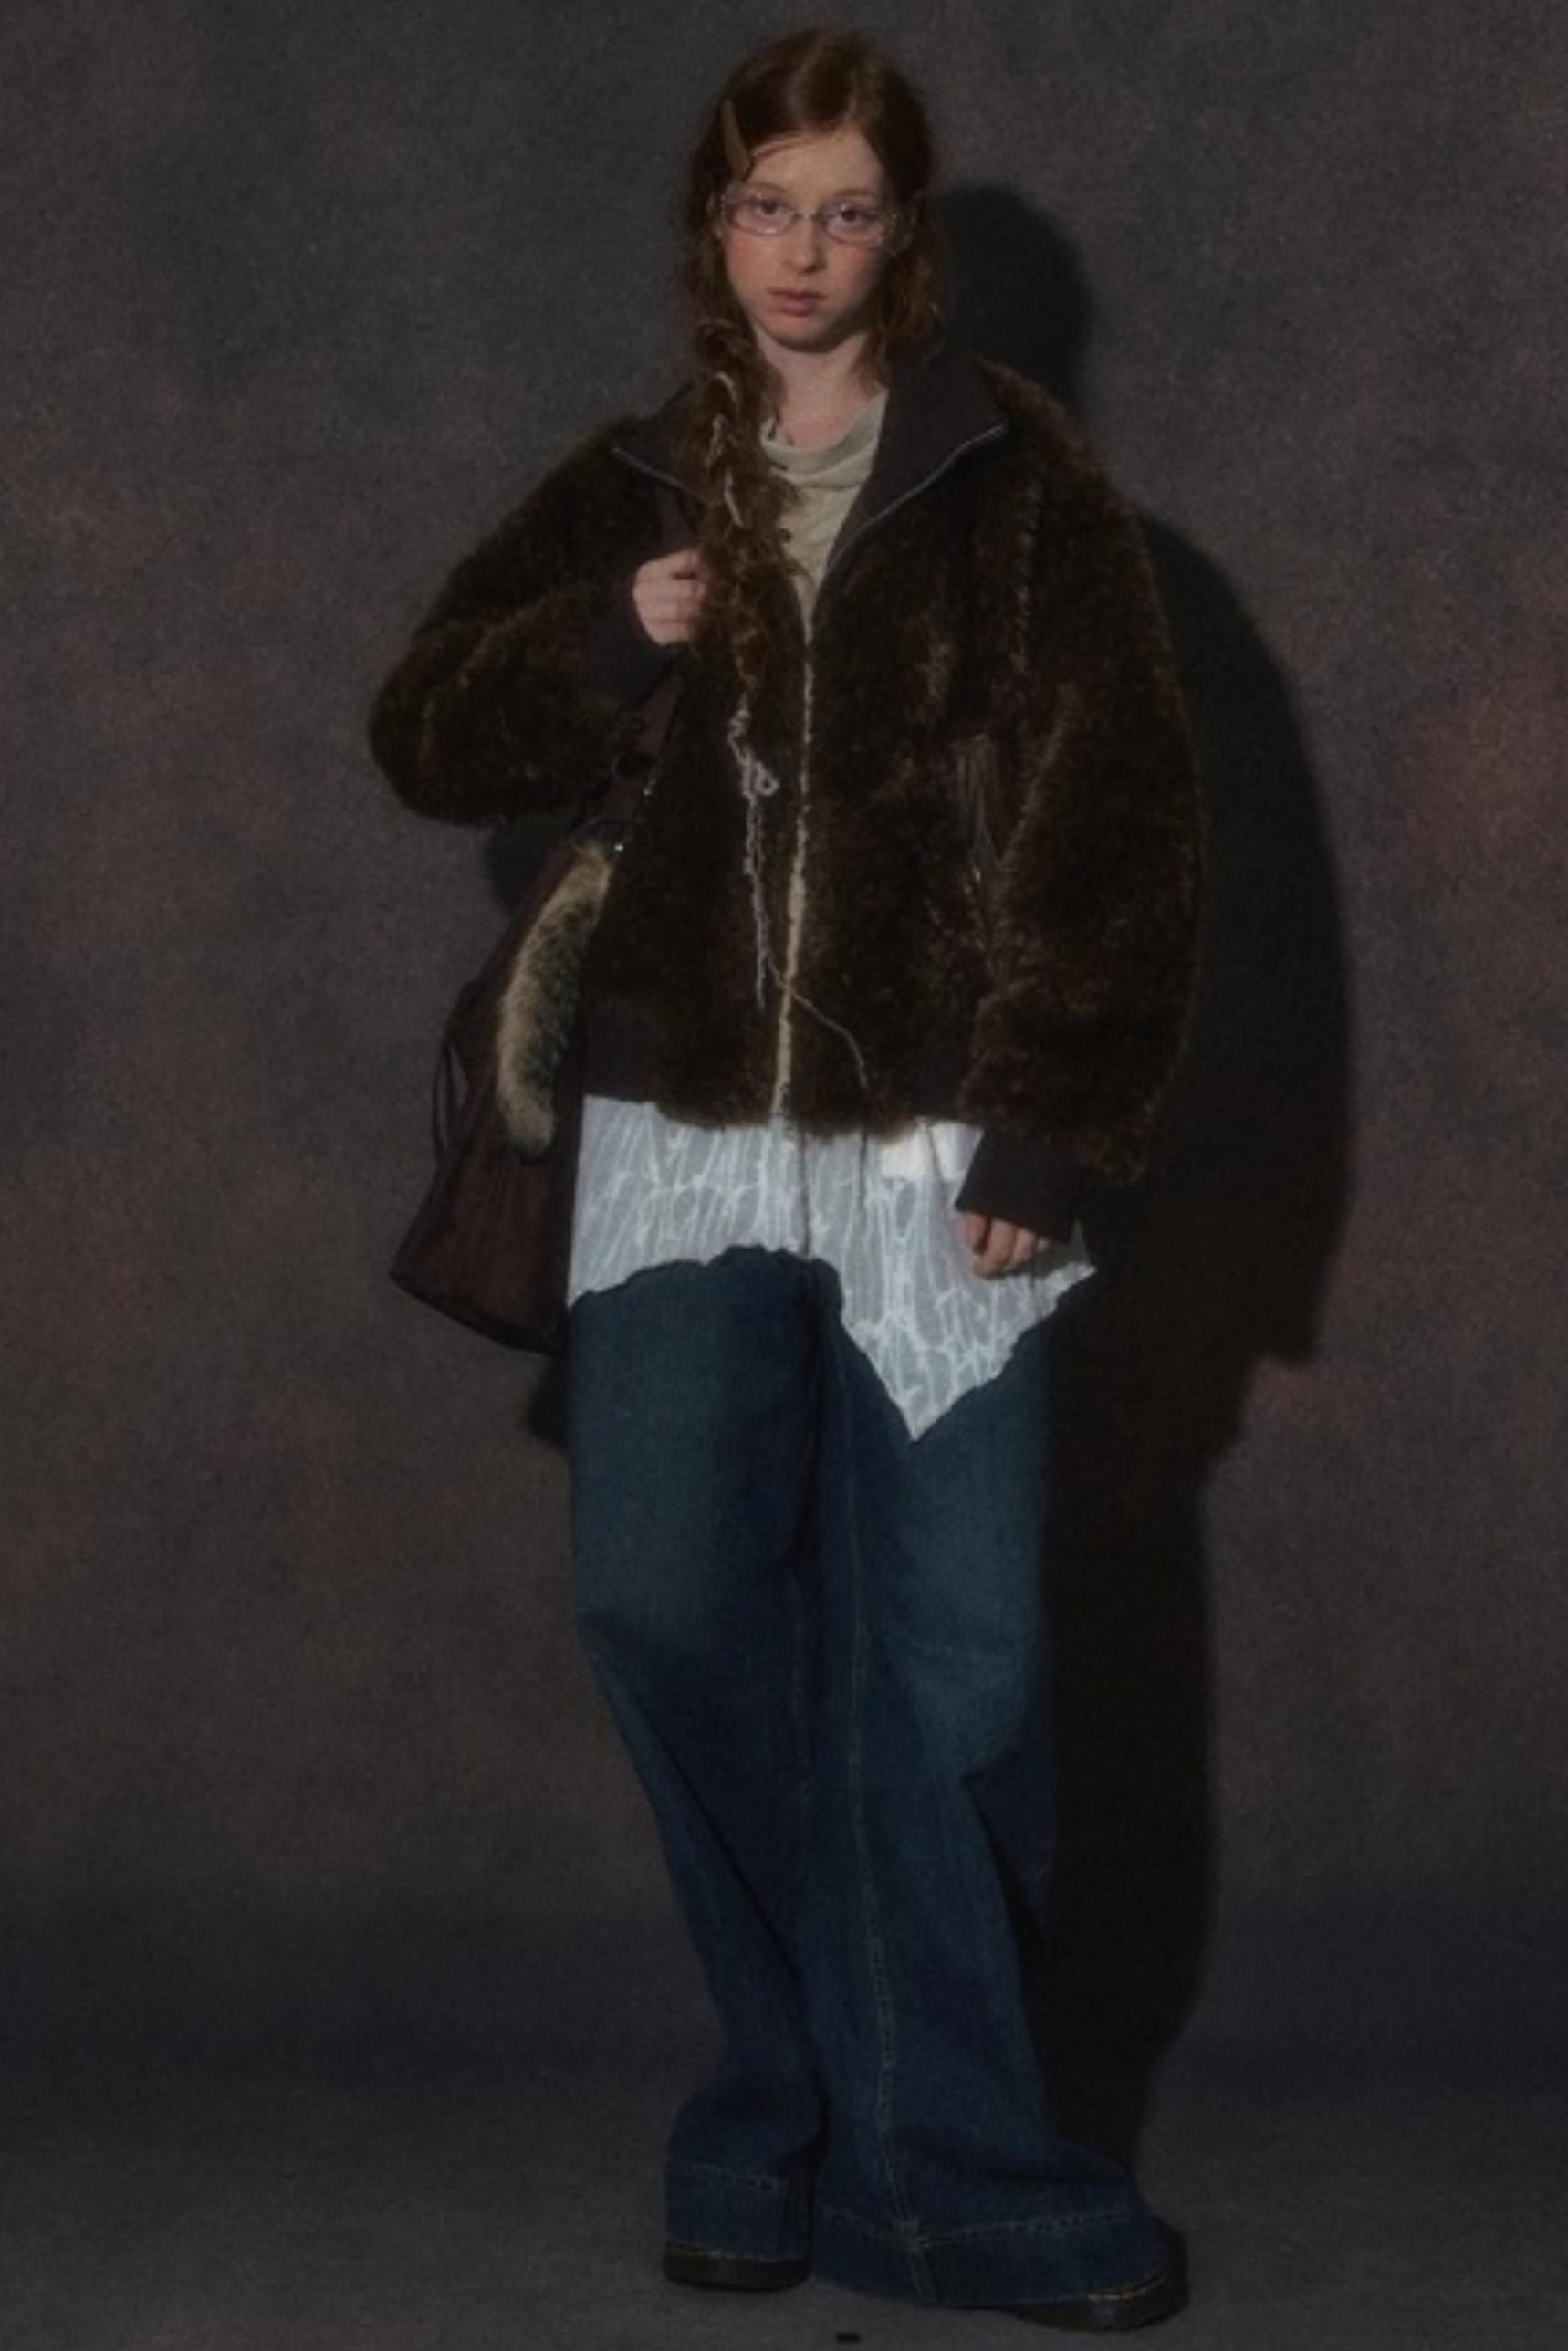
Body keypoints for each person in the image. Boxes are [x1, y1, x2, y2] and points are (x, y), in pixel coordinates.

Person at [368, 25, 1204, 2330]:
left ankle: (969, 2169)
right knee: (663, 1601)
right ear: (713, 227)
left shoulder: (1014, 482)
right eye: (767, 207)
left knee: (960, 1668)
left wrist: (1046, 1118)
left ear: (898, 235)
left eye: (845, 210)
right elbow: (422, 728)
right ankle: (787, 2097)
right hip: (679, 1141)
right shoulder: (636, 477)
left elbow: (1119, 823)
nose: (803, 252)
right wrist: (596, 635)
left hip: (942, 1142)